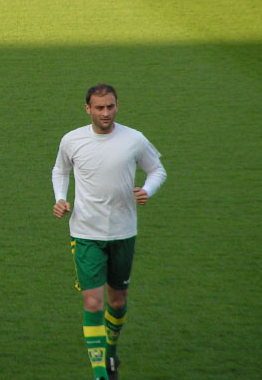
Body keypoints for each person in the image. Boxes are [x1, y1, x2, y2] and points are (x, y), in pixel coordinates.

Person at [52, 84, 166, 380]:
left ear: (117, 106)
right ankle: (100, 372)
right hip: (85, 232)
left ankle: (111, 349)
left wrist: (147, 190)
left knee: (117, 301)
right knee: (93, 301)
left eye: (111, 106)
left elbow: (157, 170)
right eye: (99, 108)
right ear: (87, 109)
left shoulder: (134, 139)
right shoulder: (72, 140)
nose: (106, 113)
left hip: (123, 232)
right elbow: (60, 170)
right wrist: (60, 198)